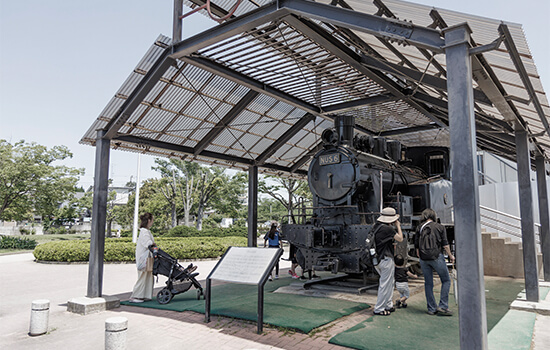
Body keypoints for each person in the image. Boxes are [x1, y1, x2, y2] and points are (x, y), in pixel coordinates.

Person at [415, 208, 455, 316]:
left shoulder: (419, 227)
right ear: (433, 216)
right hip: (436, 257)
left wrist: (422, 257)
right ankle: (443, 306)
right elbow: (445, 244)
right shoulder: (440, 227)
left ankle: (431, 308)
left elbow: (417, 247)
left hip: (423, 259)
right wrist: (450, 255)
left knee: (428, 283)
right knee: (446, 280)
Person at [372, 207, 403, 316]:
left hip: (378, 259)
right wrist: (398, 226)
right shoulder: (388, 229)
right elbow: (400, 238)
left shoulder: (376, 226)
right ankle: (379, 308)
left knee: (390, 282)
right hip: (386, 259)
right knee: (385, 284)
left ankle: (388, 304)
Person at [129, 212, 156, 303]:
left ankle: (144, 295)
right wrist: (153, 244)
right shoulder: (144, 232)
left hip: (146, 258)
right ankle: (136, 296)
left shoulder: (146, 231)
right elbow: (147, 243)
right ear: (149, 220)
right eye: (152, 220)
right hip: (143, 259)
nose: (152, 222)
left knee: (147, 276)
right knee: (142, 277)